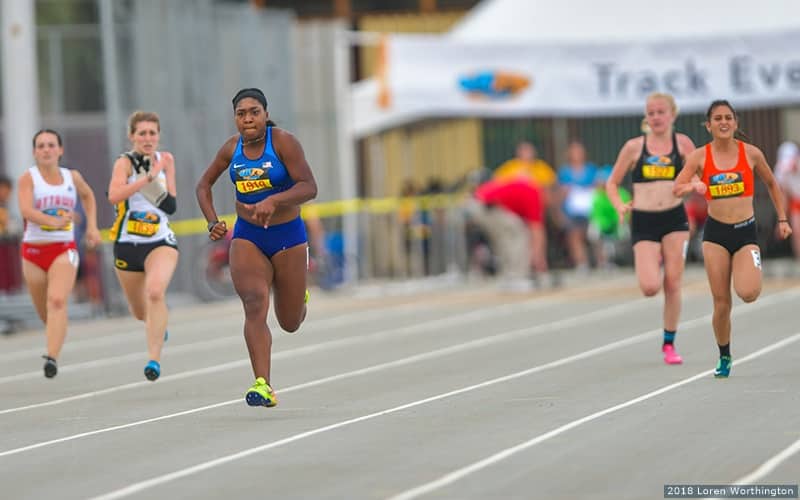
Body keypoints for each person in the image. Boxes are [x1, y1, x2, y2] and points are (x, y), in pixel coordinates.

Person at [196, 87, 317, 408]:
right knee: (253, 302)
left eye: (254, 112)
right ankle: (263, 384)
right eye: (241, 113)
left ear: (265, 114)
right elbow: (203, 185)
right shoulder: (230, 150)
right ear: (235, 118)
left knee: (290, 322)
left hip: (288, 237)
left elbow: (309, 186)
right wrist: (212, 222)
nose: (247, 118)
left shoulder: (283, 143)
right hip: (248, 235)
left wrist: (274, 200)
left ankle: (298, 293)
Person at [673, 99, 791, 378]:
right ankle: (724, 355)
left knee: (749, 293)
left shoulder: (750, 153)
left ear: (736, 123)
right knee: (721, 302)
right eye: (717, 118)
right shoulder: (700, 157)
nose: (723, 122)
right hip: (716, 235)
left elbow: (773, 184)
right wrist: (693, 184)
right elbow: (677, 187)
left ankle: (746, 284)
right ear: (709, 125)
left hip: (745, 232)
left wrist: (783, 218)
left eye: (728, 117)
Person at [606, 92, 696, 365]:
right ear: (646, 117)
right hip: (644, 220)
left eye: (661, 112)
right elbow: (612, 183)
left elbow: (700, 175)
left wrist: (695, 186)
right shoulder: (634, 147)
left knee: (673, 282)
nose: (656, 117)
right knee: (649, 286)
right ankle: (651, 259)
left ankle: (669, 344)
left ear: (672, 114)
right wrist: (619, 205)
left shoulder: (682, 144)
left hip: (675, 220)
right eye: (651, 112)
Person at [17, 129, 101, 377]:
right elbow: (25, 210)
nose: (46, 150)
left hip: (64, 249)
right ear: (35, 152)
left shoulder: (71, 177)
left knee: (57, 300)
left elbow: (88, 196)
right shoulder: (28, 178)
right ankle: (56, 331)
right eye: (41, 146)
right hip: (33, 251)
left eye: (51, 145)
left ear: (60, 150)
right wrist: (49, 220)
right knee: (46, 312)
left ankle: (51, 358)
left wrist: (92, 226)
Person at [107, 111, 178, 382]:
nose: (148, 138)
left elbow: (171, 204)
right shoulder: (124, 164)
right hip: (127, 244)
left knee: (156, 292)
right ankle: (157, 325)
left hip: (160, 241)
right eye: (142, 133)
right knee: (140, 313)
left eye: (152, 133)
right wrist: (146, 179)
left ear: (158, 136)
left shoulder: (166, 160)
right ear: (132, 136)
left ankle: (154, 360)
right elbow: (114, 195)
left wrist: (158, 174)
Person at [774, 140, 800, 267]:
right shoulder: (781, 172)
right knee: (797, 230)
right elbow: (784, 196)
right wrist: (782, 219)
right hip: (796, 201)